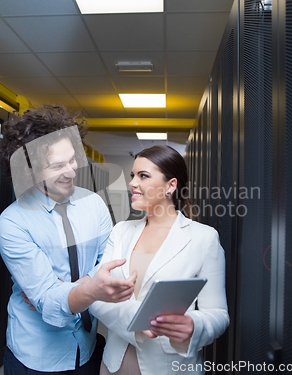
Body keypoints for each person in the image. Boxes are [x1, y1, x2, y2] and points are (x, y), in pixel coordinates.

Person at [0, 105, 137, 374]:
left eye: (72, 160)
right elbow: (49, 301)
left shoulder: (94, 204)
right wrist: (92, 287)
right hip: (37, 356)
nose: (72, 172)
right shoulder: (13, 222)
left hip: (87, 346)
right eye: (58, 166)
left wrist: (73, 288)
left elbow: (111, 260)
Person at [89, 145, 230, 375]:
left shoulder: (204, 238)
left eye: (143, 176)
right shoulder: (120, 232)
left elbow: (218, 315)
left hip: (169, 366)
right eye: (132, 176)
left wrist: (194, 325)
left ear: (170, 186)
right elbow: (95, 297)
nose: (133, 183)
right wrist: (138, 319)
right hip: (115, 363)